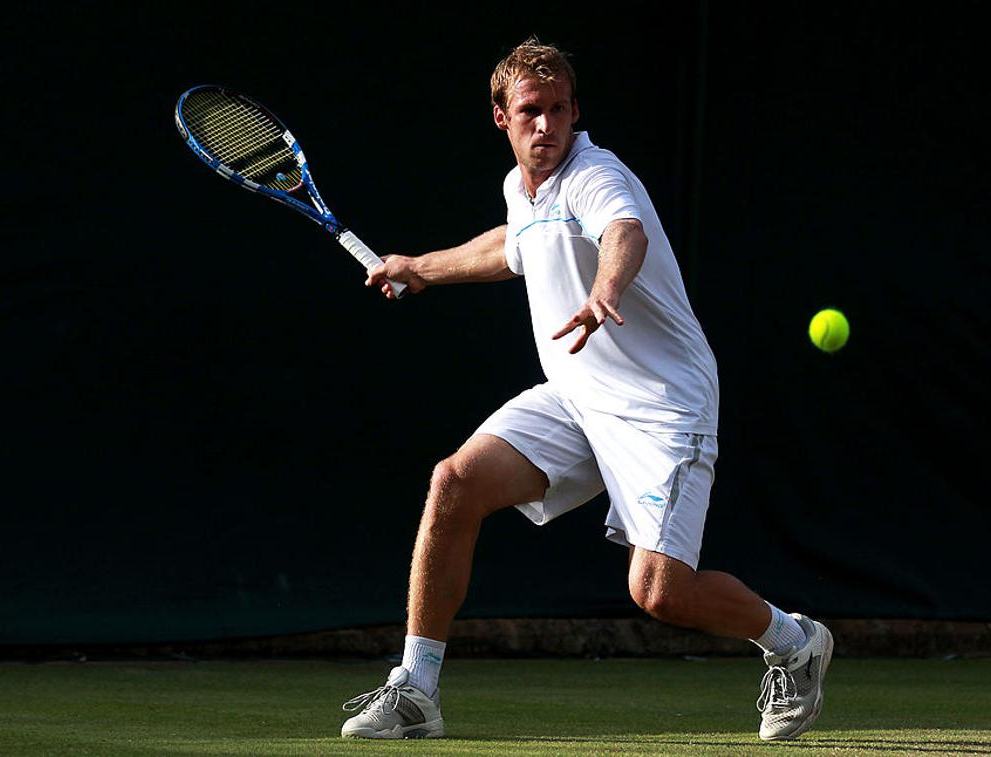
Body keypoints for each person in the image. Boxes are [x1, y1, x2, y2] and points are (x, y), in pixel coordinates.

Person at [339, 36, 833, 742]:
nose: (547, 126)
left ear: (576, 112)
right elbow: (509, 245)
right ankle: (416, 690)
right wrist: (419, 266)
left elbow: (622, 233)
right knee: (454, 482)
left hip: (664, 406)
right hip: (576, 398)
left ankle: (795, 641)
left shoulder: (598, 176)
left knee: (659, 592)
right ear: (502, 118)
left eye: (559, 110)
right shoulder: (523, 188)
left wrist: (606, 290)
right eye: (531, 112)